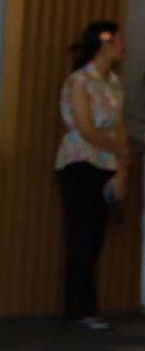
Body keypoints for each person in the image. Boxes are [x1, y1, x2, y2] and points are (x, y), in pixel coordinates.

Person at [55, 20, 130, 328]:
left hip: (107, 164)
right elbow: (85, 128)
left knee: (96, 236)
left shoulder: (114, 82)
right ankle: (80, 309)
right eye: (118, 41)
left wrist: (122, 169)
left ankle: (88, 307)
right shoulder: (79, 81)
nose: (123, 46)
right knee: (82, 234)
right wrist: (117, 148)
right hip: (80, 162)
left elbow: (119, 125)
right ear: (104, 44)